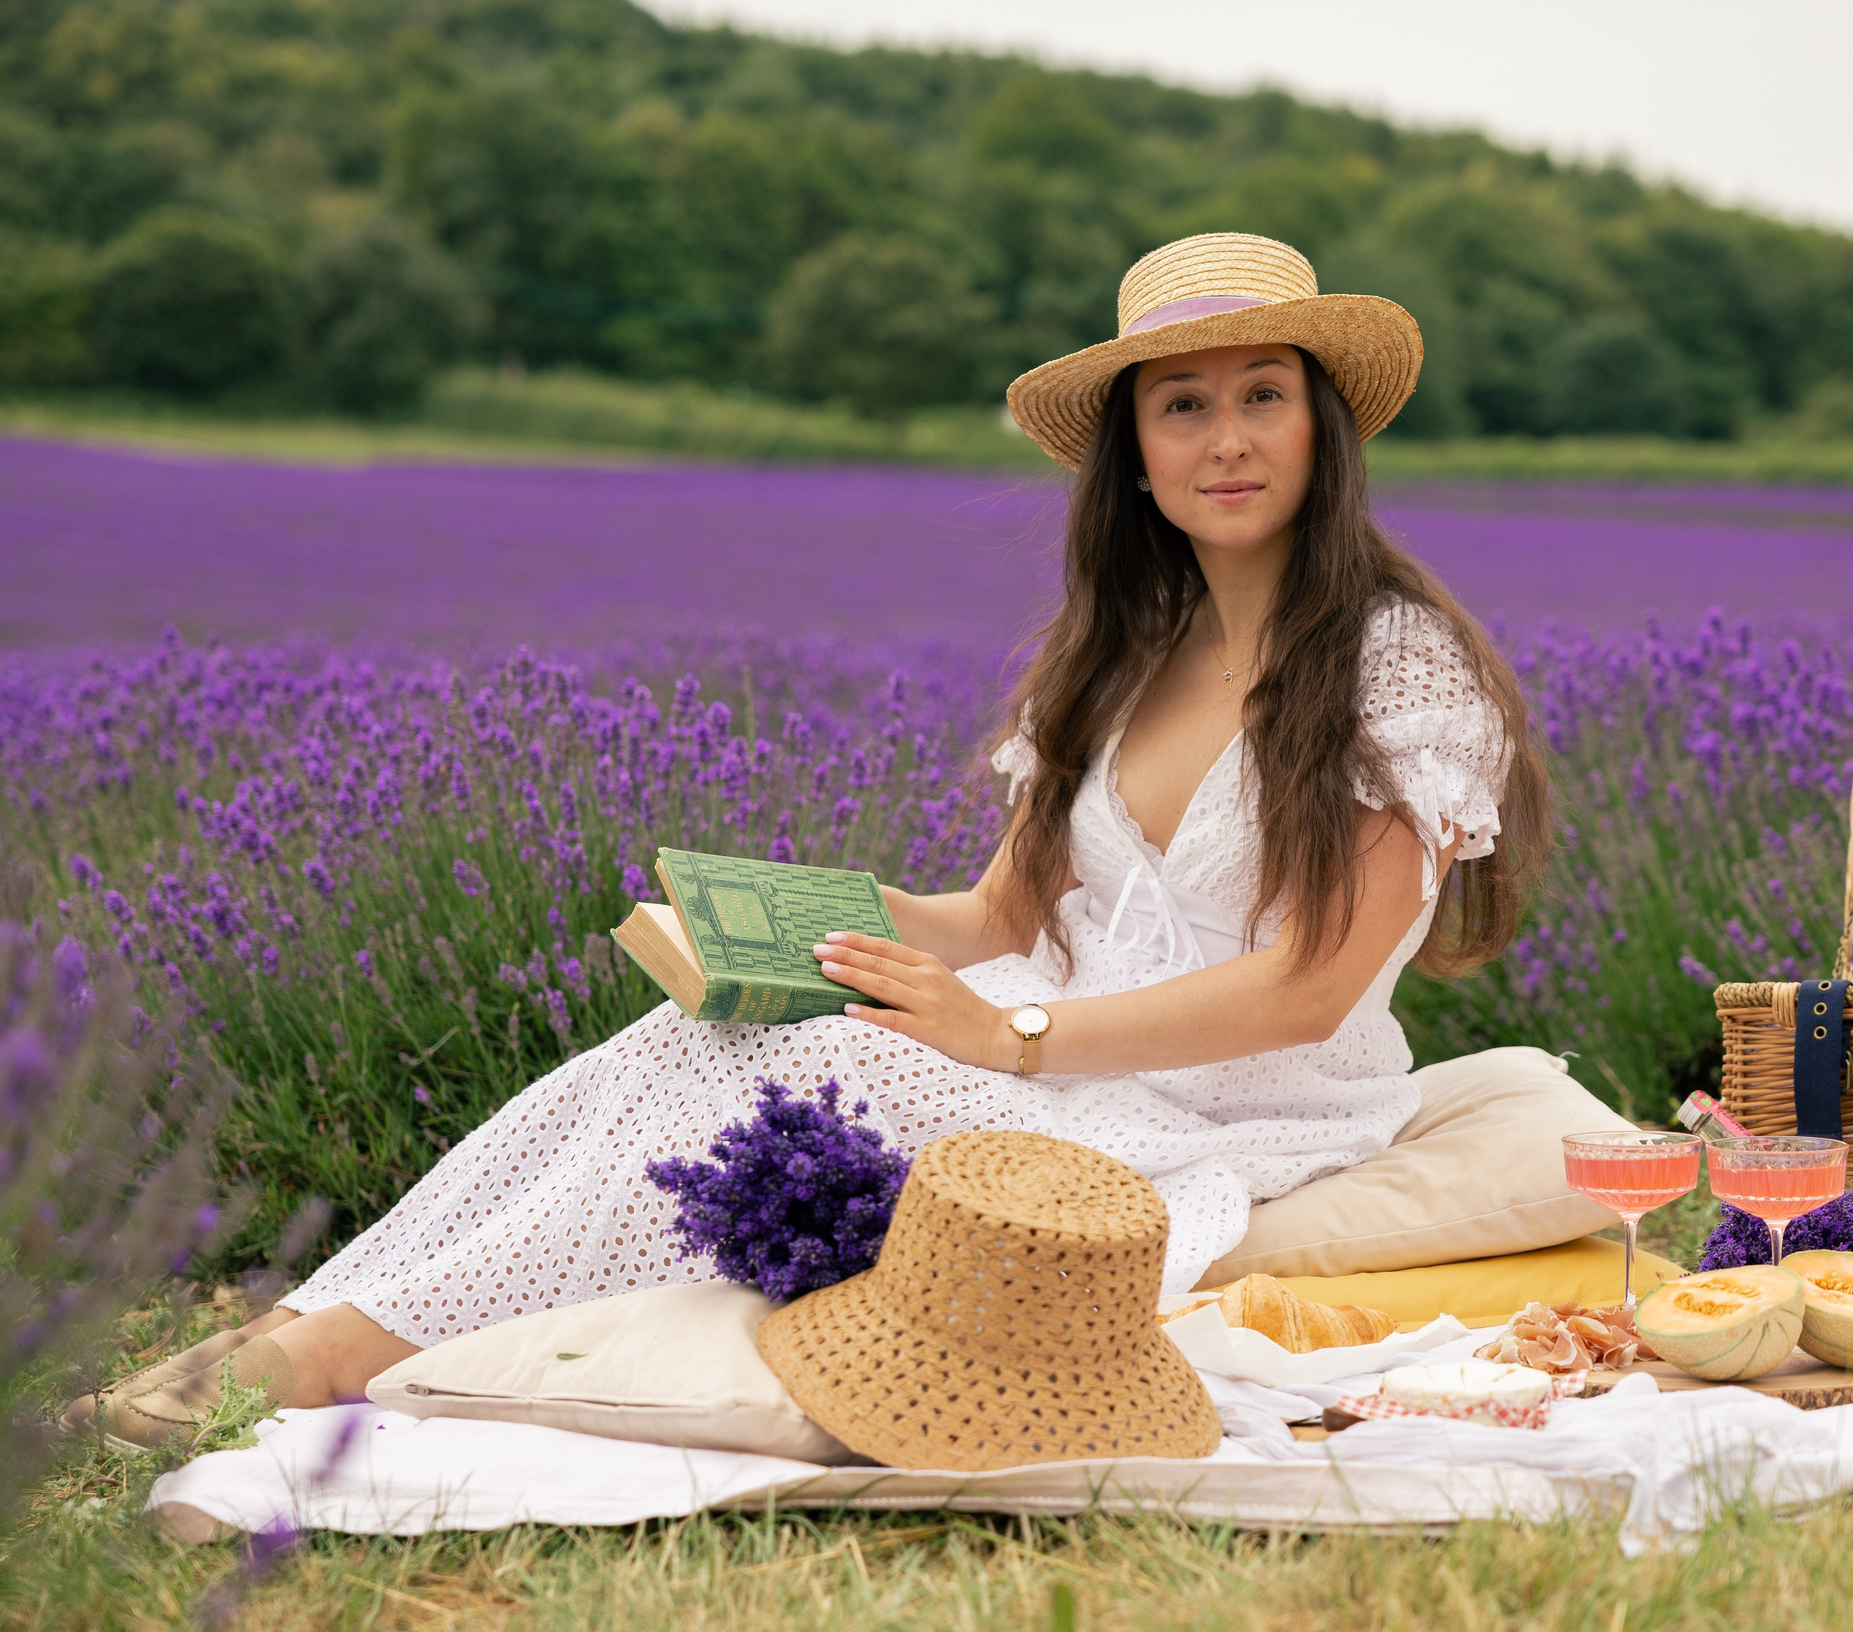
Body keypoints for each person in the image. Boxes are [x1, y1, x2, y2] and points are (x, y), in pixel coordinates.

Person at [73, 232, 1551, 1446]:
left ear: (1322, 426)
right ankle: (310, 1324)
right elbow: (990, 914)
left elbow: (1308, 987)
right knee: (667, 1049)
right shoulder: (1116, 662)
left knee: (811, 1065)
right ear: (1137, 456)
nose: (1225, 438)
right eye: (1183, 405)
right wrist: (778, 923)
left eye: (1261, 396)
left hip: (1249, 1112)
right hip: (1061, 1051)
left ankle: (322, 1360)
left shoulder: (1398, 667)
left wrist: (1009, 1035)